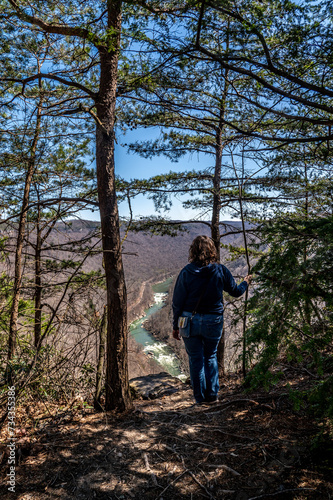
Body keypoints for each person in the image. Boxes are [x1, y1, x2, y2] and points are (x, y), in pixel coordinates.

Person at [172, 235, 252, 404]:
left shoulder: (186, 272)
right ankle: (213, 396)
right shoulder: (220, 270)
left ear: (193, 250)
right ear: (212, 251)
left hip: (189, 321)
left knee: (195, 359)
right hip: (213, 321)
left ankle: (199, 400)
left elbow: (177, 302)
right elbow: (236, 292)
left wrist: (175, 326)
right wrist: (245, 282)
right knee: (210, 357)